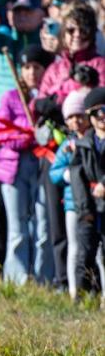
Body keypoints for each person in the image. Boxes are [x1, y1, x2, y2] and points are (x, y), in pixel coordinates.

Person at [0, 44, 55, 285]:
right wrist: (28, 135)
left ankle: (44, 279)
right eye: (26, 67)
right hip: (13, 169)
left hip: (42, 166)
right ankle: (16, 281)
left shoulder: (49, 99)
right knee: (18, 229)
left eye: (36, 67)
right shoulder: (11, 97)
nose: (31, 72)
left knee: (43, 226)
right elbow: (2, 133)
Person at [49, 89, 102, 300]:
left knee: (97, 251)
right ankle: (74, 291)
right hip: (73, 203)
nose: (76, 121)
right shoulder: (67, 146)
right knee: (75, 247)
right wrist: (69, 174)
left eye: (80, 115)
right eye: (71, 117)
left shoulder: (94, 141)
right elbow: (54, 174)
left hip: (95, 202)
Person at [70, 87, 105, 301]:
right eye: (95, 112)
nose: (101, 116)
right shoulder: (83, 144)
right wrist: (84, 209)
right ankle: (82, 297)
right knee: (85, 252)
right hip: (90, 206)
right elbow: (76, 177)